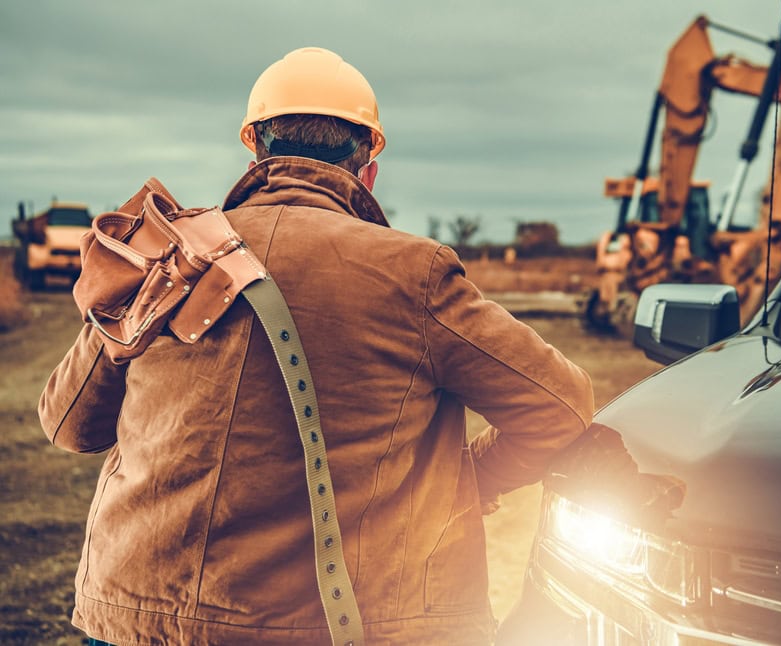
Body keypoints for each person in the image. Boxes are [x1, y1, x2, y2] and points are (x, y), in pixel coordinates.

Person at [38, 47, 594, 646]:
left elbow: (70, 426)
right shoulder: (415, 272)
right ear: (368, 167)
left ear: (256, 151)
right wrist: (470, 479)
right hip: (330, 626)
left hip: (137, 617)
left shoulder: (171, 254)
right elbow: (561, 406)